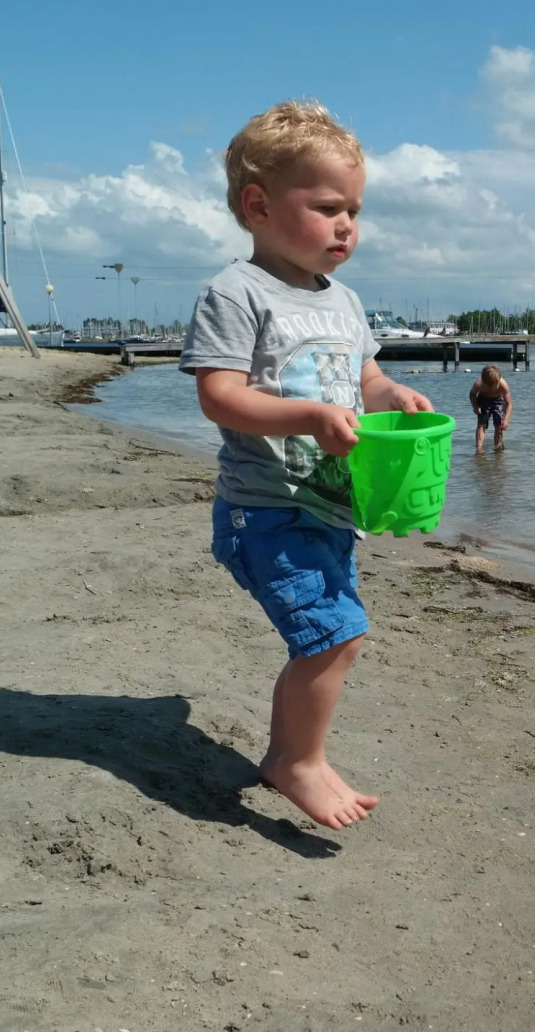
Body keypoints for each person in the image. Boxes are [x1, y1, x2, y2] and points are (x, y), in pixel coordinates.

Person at [179, 100, 433, 831]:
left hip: (329, 506)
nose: (347, 225)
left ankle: (297, 753)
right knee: (334, 634)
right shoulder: (236, 293)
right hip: (266, 507)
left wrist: (395, 396)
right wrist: (310, 418)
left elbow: (367, 381)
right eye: (327, 207)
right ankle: (295, 760)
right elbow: (219, 396)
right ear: (257, 206)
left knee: (335, 631)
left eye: (354, 209)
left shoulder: (344, 300)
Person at [469, 364, 512, 453]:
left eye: (493, 385)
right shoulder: (479, 384)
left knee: (499, 426)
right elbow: (472, 394)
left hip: (498, 401)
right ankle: (479, 449)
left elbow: (509, 404)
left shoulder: (503, 385)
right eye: (488, 385)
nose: (490, 387)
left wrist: (506, 420)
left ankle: (498, 448)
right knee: (482, 425)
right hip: (483, 400)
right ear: (484, 381)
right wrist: (475, 406)